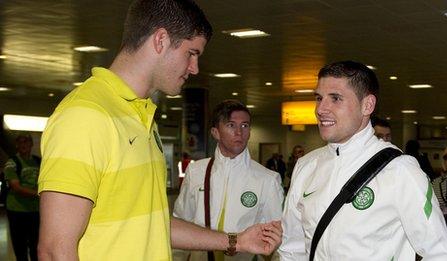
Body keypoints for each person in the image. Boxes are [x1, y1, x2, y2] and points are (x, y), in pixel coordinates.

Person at [37, 1, 282, 260]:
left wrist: (236, 240)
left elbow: (154, 224)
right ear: (161, 40)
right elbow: (55, 250)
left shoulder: (143, 119)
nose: (195, 68)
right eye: (192, 53)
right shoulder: (86, 115)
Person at [279, 61, 447, 260]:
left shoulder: (400, 170)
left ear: (367, 105)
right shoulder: (306, 166)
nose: (321, 109)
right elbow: (291, 248)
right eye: (319, 98)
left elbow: (441, 254)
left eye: (335, 98)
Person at [173, 100, 284, 260]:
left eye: (245, 125)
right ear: (215, 132)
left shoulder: (267, 179)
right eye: (231, 125)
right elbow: (180, 222)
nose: (239, 132)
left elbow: (277, 237)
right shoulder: (196, 171)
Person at [3, 134, 41, 261]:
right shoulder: (12, 163)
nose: (24, 144)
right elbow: (16, 187)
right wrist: (39, 193)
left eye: (27, 142)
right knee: (20, 248)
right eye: (20, 142)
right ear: (17, 145)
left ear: (31, 144)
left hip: (35, 211)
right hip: (17, 211)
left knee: (36, 246)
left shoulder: (38, 161)